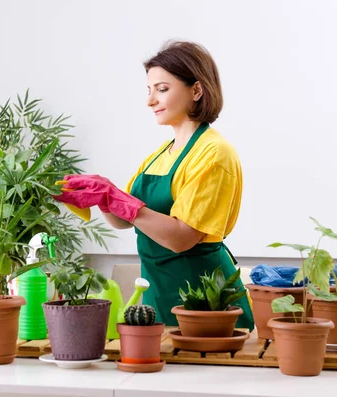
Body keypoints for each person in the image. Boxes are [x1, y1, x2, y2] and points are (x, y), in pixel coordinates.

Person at [54, 41, 254, 329]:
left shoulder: (214, 153)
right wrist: (102, 195)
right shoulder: (161, 153)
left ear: (196, 90)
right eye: (149, 91)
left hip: (206, 300)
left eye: (161, 89)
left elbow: (181, 238)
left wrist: (119, 200)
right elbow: (123, 222)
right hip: (158, 295)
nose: (150, 101)